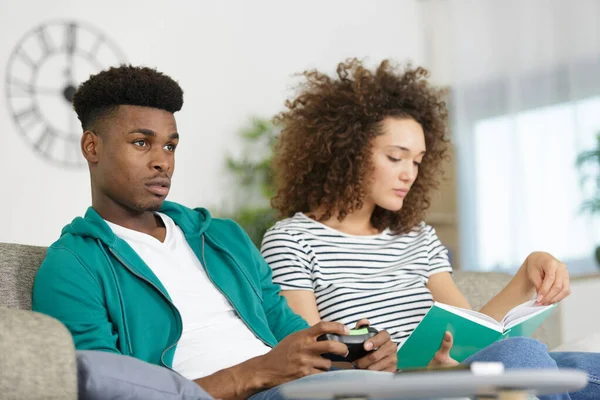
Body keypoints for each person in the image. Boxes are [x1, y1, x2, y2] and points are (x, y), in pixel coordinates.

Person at [31, 65, 398, 400]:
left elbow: (287, 330)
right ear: (92, 147)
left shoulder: (223, 237)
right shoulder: (72, 265)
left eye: (170, 145)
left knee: (429, 387)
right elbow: (106, 389)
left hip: (297, 390)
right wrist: (258, 373)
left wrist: (351, 357)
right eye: (141, 143)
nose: (163, 161)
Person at [260, 58, 600, 400]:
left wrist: (527, 274)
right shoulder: (291, 240)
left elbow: (470, 330)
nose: (410, 174)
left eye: (417, 161)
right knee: (522, 354)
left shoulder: (418, 237)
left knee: (579, 366)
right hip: (392, 387)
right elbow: (306, 361)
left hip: (449, 375)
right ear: (345, 152)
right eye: (396, 157)